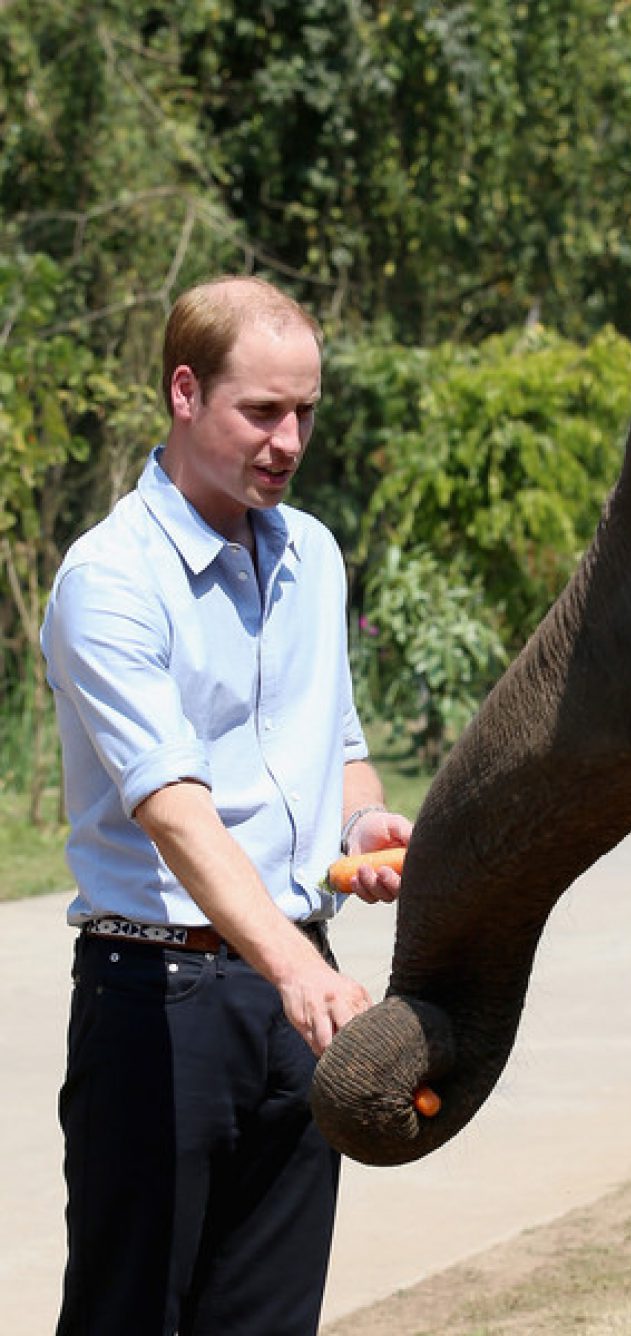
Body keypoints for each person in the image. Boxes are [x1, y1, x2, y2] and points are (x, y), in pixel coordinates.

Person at [40, 274, 413, 1336]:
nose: (288, 439)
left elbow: (338, 745)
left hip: (297, 994)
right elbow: (172, 807)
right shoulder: (108, 580)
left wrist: (360, 827)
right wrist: (298, 970)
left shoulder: (314, 555)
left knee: (266, 1320)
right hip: (162, 996)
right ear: (185, 392)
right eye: (262, 411)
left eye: (306, 411)